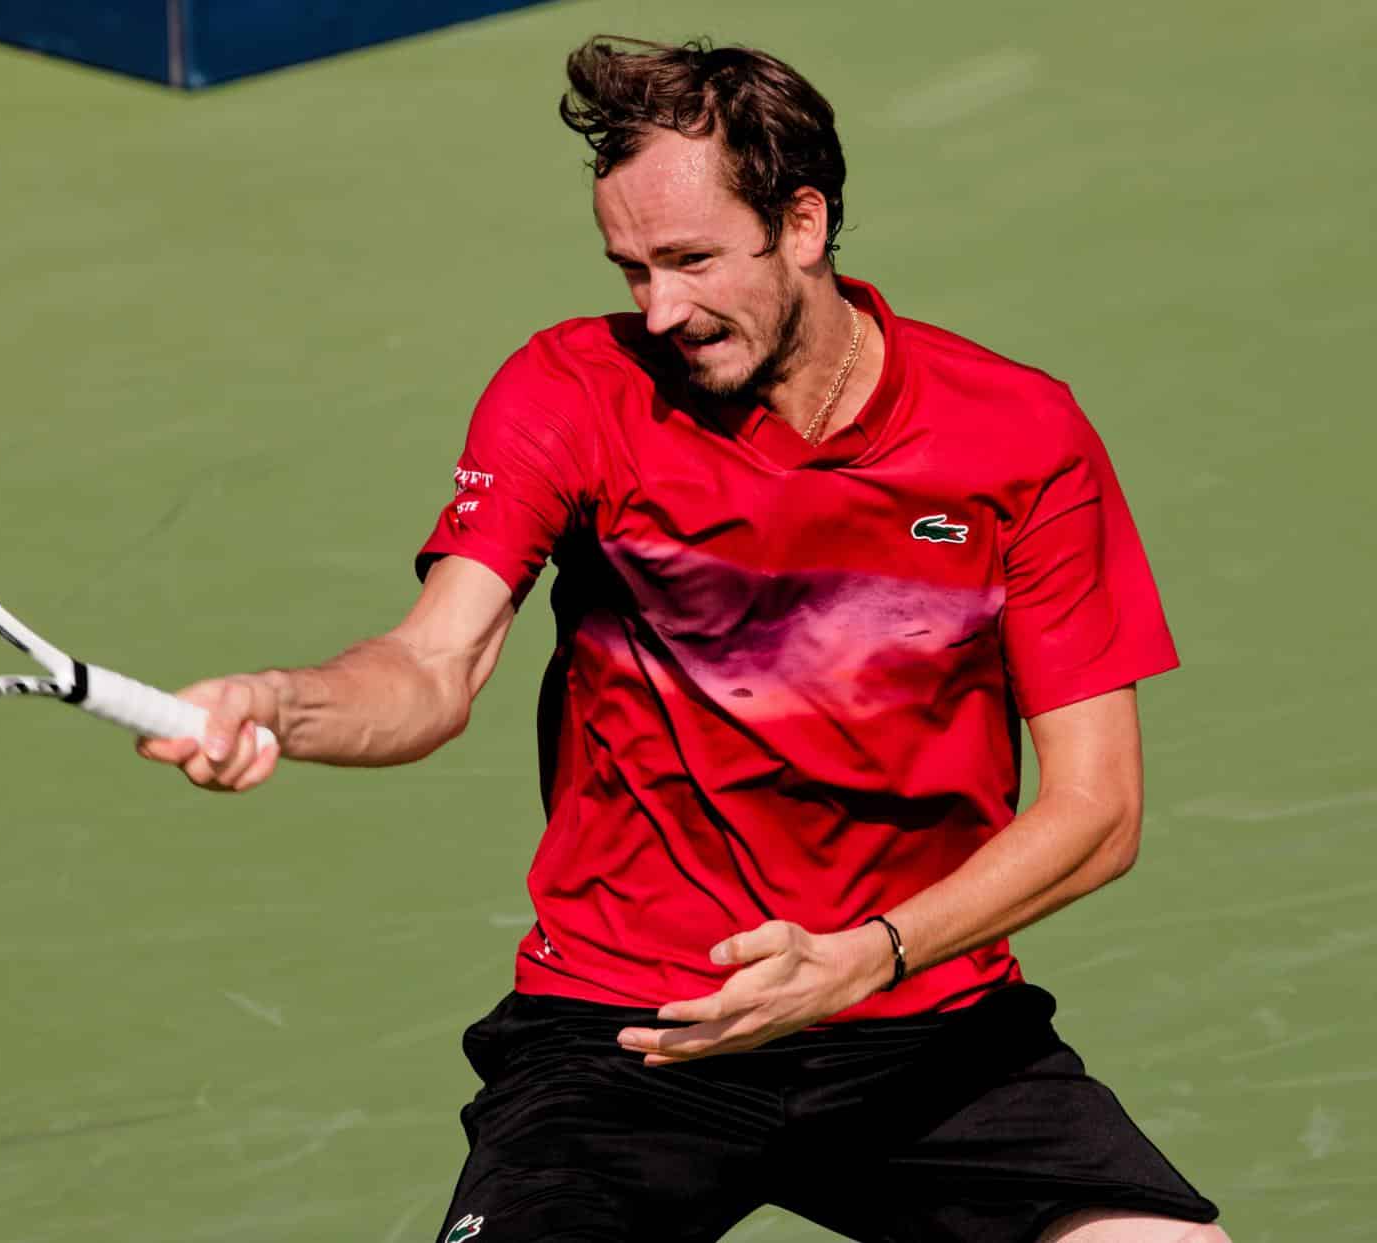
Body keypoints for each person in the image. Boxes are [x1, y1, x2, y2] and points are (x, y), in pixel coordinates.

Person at [138, 35, 1227, 1243]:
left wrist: (871, 954)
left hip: (923, 1020)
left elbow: (1099, 808)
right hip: (627, 1031)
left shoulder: (1018, 436)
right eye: (631, 267)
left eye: (692, 260)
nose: (660, 308)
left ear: (802, 224)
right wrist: (280, 702)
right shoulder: (572, 391)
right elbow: (431, 668)